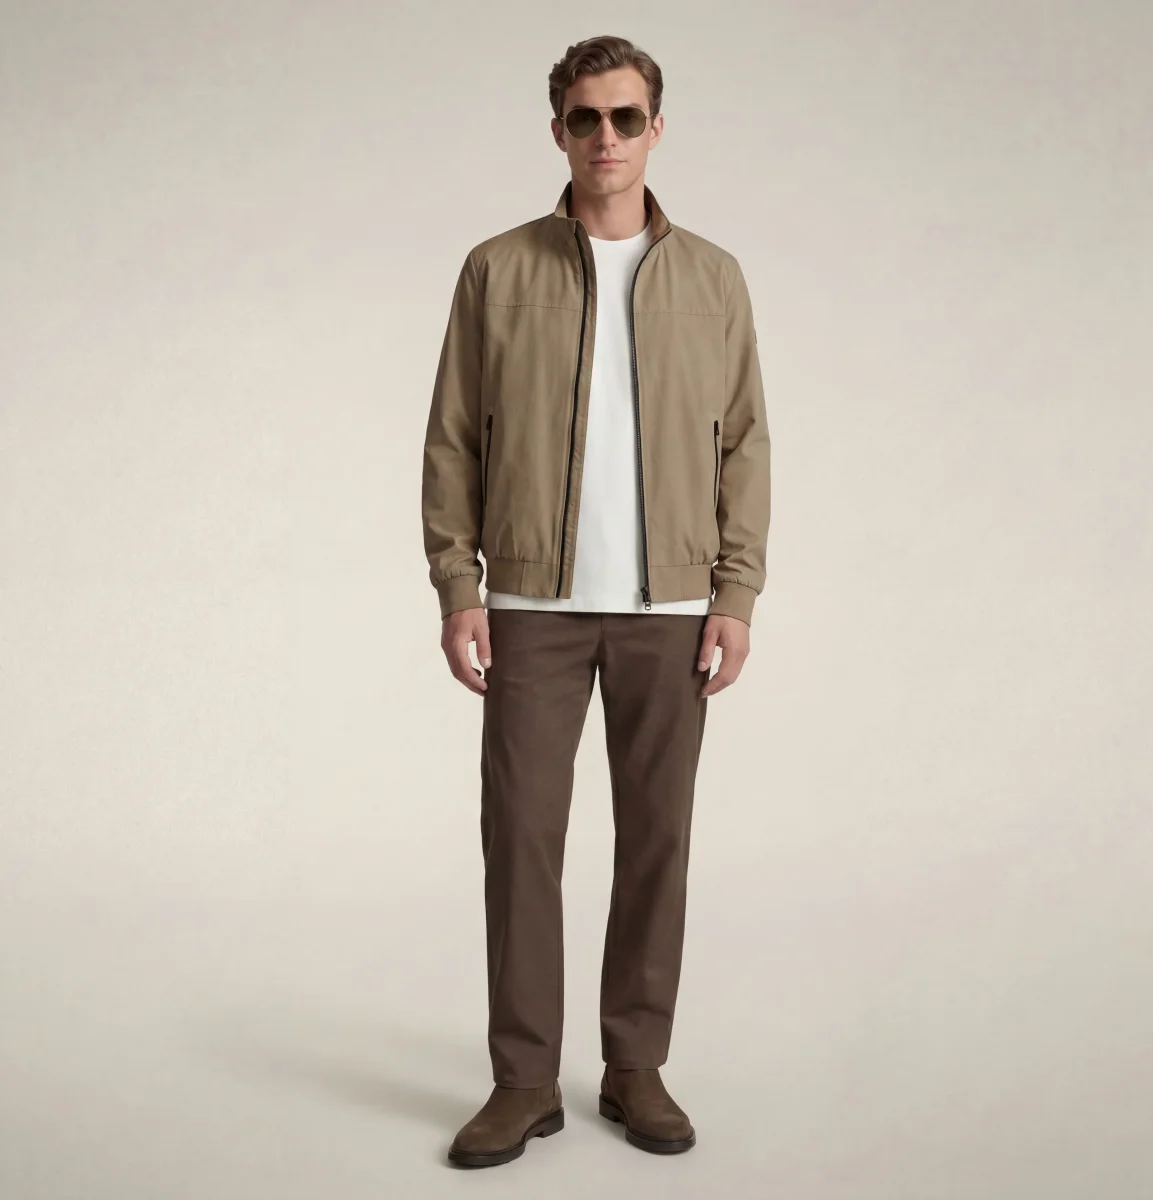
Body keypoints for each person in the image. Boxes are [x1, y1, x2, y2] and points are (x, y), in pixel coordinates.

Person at [420, 34, 771, 1168]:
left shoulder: (713, 277)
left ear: (657, 129)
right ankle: (524, 1081)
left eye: (625, 117)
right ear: (558, 131)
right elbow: (452, 439)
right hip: (531, 604)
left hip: (673, 610)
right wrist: (459, 585)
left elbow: (746, 443)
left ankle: (635, 1066)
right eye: (585, 118)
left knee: (657, 840)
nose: (605, 137)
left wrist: (735, 593)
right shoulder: (497, 269)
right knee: (521, 839)